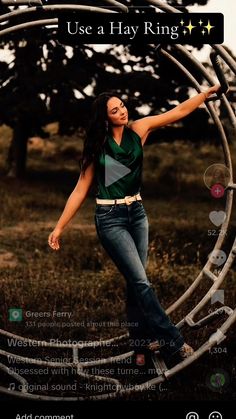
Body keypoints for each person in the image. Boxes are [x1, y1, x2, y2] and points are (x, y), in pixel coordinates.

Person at [48, 84, 220, 366]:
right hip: (110, 219)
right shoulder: (97, 146)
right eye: (115, 110)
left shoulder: (139, 129)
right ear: (105, 119)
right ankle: (172, 341)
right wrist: (59, 228)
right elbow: (80, 189)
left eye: (122, 105)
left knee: (135, 284)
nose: (122, 111)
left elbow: (177, 112)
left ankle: (141, 344)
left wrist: (204, 95)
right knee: (141, 282)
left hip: (137, 214)